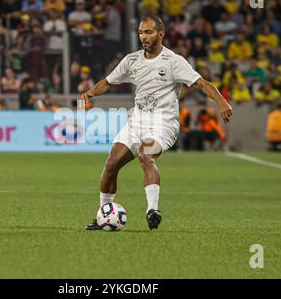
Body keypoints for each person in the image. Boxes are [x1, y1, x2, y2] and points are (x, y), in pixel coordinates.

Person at [80, 15, 232, 231]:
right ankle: (103, 214)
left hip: (164, 123)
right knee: (111, 163)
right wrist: (90, 93)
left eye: (148, 32)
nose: (144, 36)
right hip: (137, 121)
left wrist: (222, 103)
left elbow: (202, 84)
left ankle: (153, 210)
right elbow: (108, 82)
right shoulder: (132, 61)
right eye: (141, 32)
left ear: (161, 34)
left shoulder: (174, 61)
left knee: (145, 154)